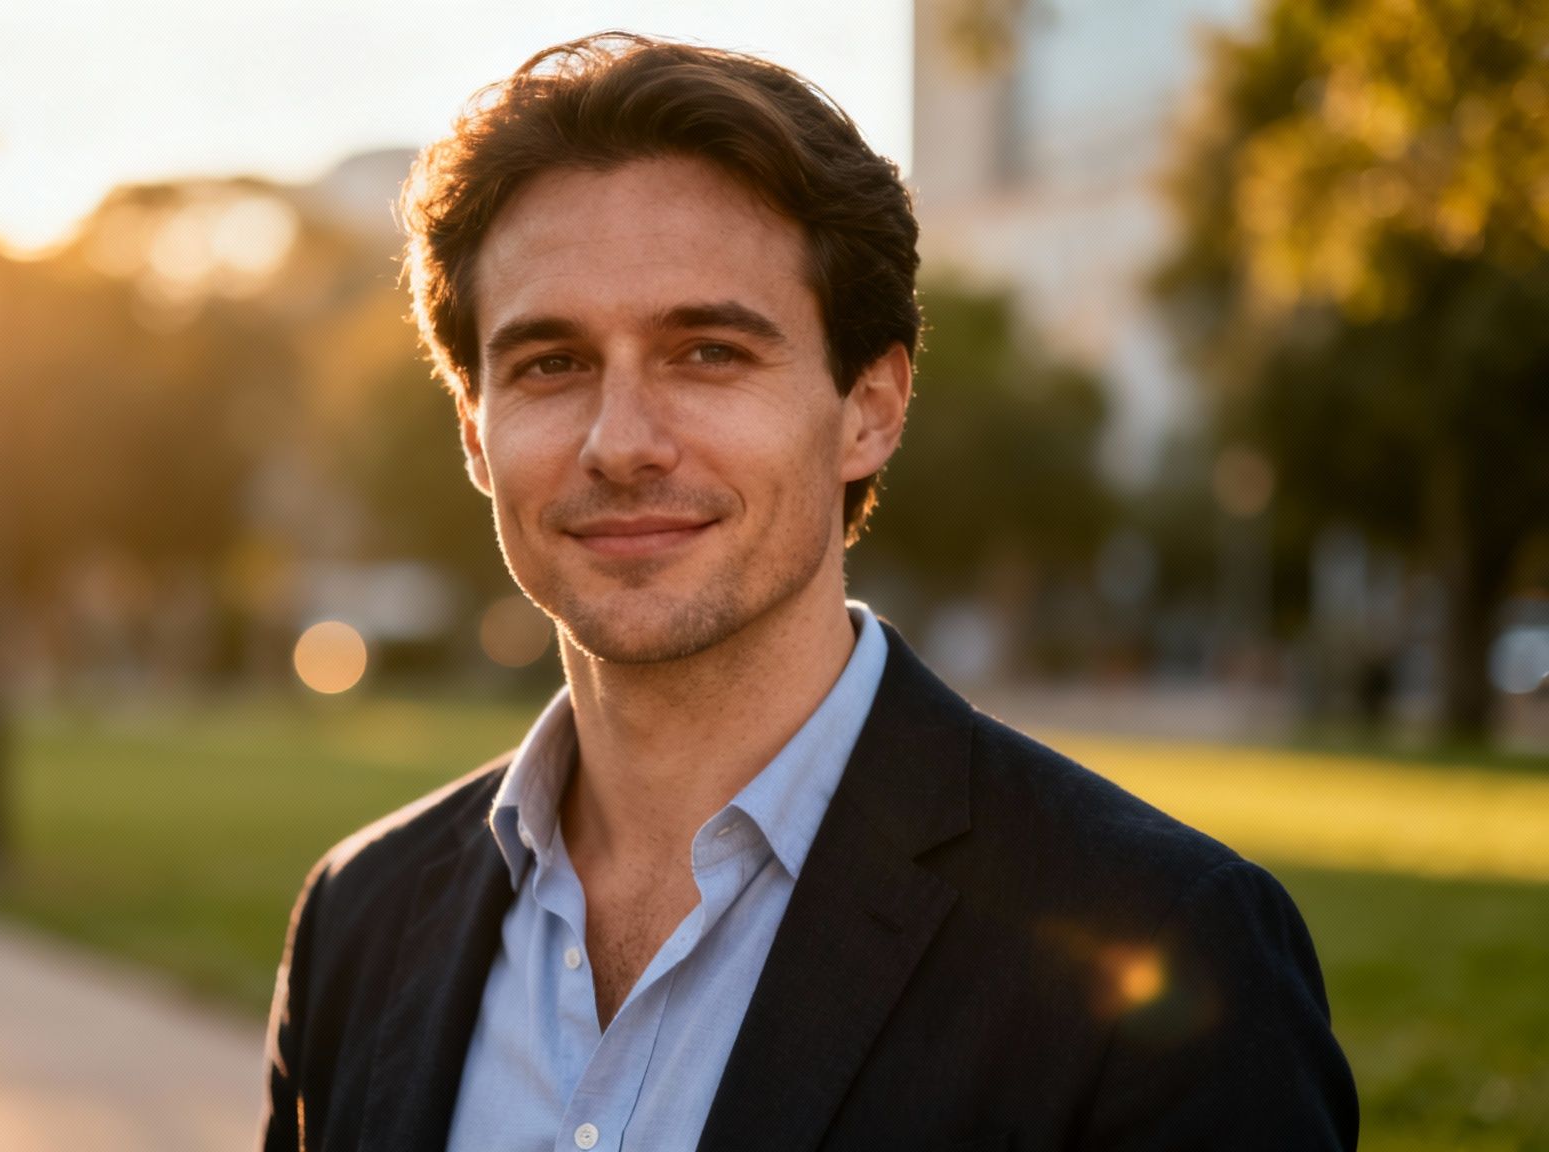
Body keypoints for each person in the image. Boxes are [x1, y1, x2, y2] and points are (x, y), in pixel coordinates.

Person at [262, 33, 1357, 1152]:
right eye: (551, 364)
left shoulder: (1167, 937)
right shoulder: (358, 918)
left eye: (707, 353)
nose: (620, 443)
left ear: (869, 409)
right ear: (474, 433)